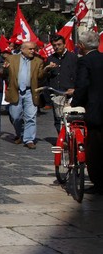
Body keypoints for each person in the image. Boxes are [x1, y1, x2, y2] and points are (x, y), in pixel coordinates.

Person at [74, 29, 103, 190]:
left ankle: (99, 183)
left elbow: (83, 85)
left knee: (95, 150)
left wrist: (75, 102)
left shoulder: (85, 61)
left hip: (95, 112)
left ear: (82, 46)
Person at [2, 40, 45, 149]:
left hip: (30, 92)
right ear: (22, 49)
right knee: (15, 117)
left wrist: (47, 69)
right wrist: (4, 69)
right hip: (16, 91)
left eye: (34, 49)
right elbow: (3, 75)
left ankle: (29, 139)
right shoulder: (11, 59)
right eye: (30, 49)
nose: (33, 51)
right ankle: (20, 133)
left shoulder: (38, 61)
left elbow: (40, 77)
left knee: (31, 117)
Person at [42, 34, 78, 133]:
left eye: (59, 44)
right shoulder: (50, 58)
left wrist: (75, 89)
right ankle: (61, 138)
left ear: (64, 44)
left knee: (71, 119)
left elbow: (78, 75)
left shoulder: (73, 57)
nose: (57, 47)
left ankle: (71, 137)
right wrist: (47, 69)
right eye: (54, 45)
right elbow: (44, 77)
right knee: (58, 120)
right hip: (57, 93)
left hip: (70, 93)